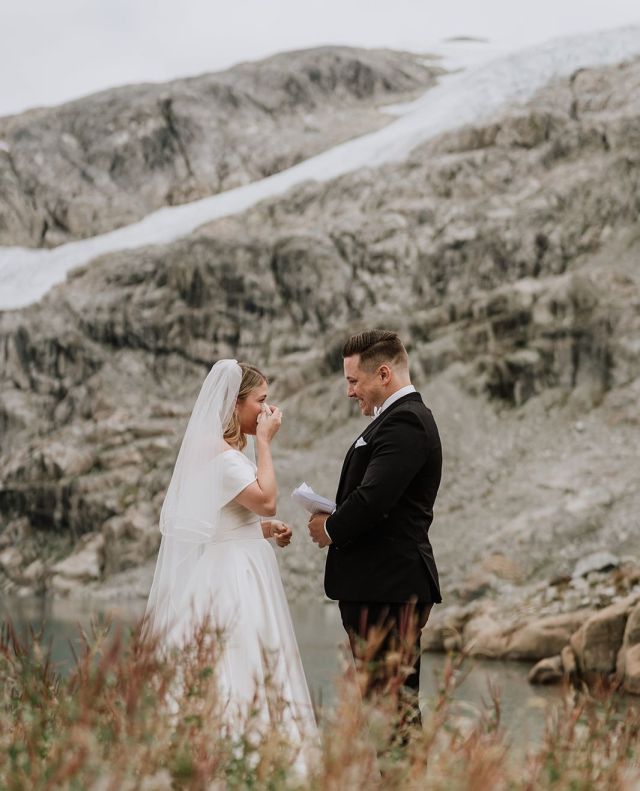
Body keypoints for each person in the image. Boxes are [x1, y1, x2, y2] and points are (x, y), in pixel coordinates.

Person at [145, 359, 316, 749]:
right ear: (235, 405)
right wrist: (265, 442)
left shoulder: (218, 452)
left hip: (234, 561)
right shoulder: (223, 456)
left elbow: (223, 526)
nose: (268, 410)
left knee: (250, 656)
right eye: (261, 400)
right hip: (235, 578)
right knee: (241, 660)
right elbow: (268, 500)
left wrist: (264, 531)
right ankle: (242, 749)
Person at [308, 330, 442, 727]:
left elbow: (373, 499)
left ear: (383, 374)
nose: (350, 392)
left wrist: (329, 527)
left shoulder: (407, 423)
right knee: (386, 709)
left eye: (353, 381)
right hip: (382, 587)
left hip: (390, 590)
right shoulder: (394, 421)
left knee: (393, 711)